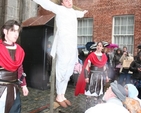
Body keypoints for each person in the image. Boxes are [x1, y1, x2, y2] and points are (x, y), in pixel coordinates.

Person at [33, 0, 88, 108]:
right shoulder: (59, 9)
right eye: (66, 0)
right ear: (62, 3)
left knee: (68, 71)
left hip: (72, 46)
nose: (69, 2)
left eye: (70, 0)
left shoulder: (72, 11)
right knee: (62, 69)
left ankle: (62, 94)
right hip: (63, 45)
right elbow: (47, 4)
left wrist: (83, 12)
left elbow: (79, 14)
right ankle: (58, 94)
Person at [0, 20, 29, 113]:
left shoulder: (19, 50)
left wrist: (23, 85)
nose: (16, 34)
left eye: (17, 31)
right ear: (5, 31)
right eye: (13, 30)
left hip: (13, 88)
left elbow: (20, 70)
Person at [75, 41, 109, 110]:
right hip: (92, 76)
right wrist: (86, 77)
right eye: (98, 45)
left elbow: (104, 68)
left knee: (97, 96)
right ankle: (87, 110)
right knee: (89, 95)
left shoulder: (104, 56)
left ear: (102, 48)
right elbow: (87, 67)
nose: (98, 47)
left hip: (100, 77)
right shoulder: (92, 55)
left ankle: (95, 110)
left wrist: (107, 76)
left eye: (100, 46)